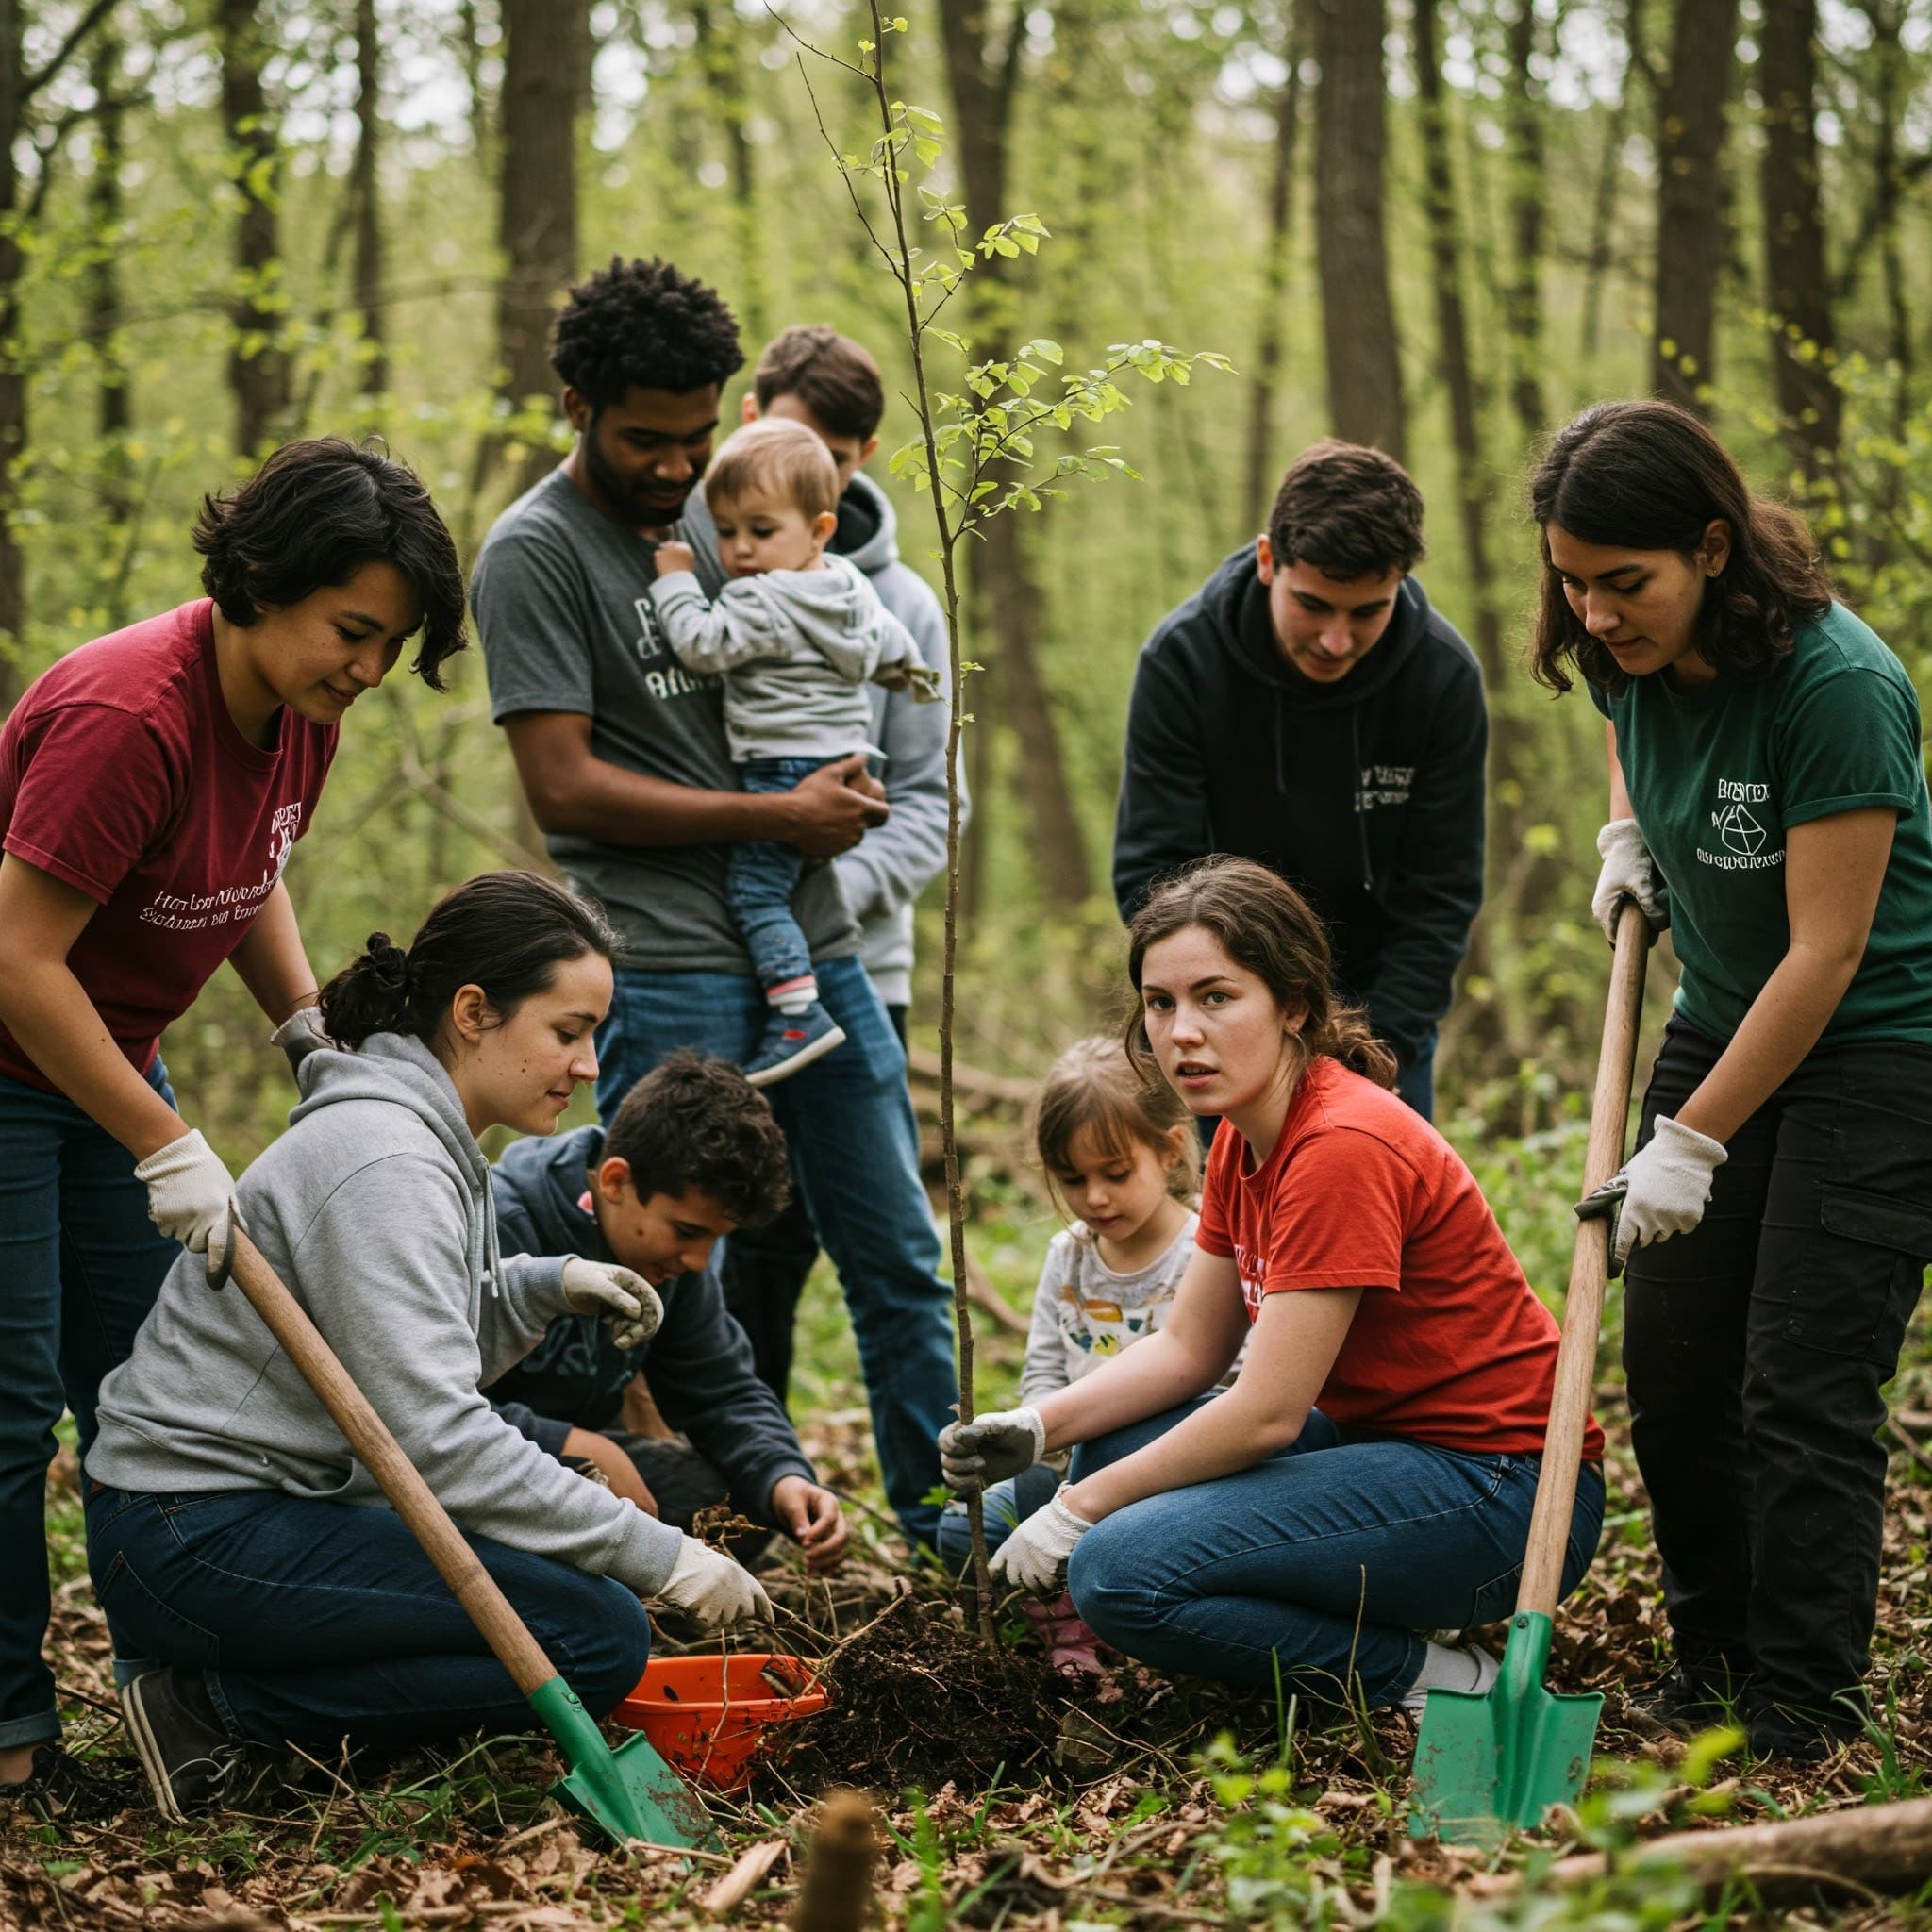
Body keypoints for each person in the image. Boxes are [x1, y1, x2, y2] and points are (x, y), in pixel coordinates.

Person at [84, 873, 772, 1824]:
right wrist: (665, 1558)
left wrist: (544, 1284)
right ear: (474, 1011)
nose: (585, 1064)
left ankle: (234, 1674)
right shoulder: (387, 1157)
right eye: (566, 1031)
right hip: (192, 1529)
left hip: (249, 1513)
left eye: (592, 1036)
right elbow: (437, 1437)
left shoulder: (433, 1141)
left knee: (578, 1602)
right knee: (594, 1631)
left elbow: (411, 1346)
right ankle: (210, 1709)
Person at [0, 438, 466, 1819]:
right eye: (354, 632)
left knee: (138, 1393)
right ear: (265, 580)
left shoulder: (298, 707)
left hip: (99, 1063)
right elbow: (20, 962)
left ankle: (172, 1690)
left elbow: (252, 864)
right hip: (11, 1064)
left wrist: (304, 1034)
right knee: (13, 1404)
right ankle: (13, 1740)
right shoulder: (125, 717)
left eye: (391, 644)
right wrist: (163, 1140)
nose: (368, 670)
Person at [470, 257, 958, 1546]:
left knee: (900, 1252)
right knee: (687, 1273)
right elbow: (563, 788)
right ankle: (714, 1536)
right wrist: (775, 820)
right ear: (575, 404)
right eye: (645, 439)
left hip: (818, 943)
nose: (675, 466)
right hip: (672, 958)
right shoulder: (536, 555)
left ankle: (950, 1530)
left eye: (698, 437)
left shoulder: (745, 512)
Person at [940, 858, 1604, 1709]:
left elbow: (1265, 1414)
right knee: (1114, 1446)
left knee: (1115, 1571)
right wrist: (1039, 1426)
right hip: (1396, 1456)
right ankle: (1371, 1624)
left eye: (1217, 997)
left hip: (1505, 1498)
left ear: (1293, 1004)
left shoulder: (1340, 1147)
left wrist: (1078, 1511)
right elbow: (1187, 1349)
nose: (1181, 1032)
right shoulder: (1243, 1145)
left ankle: (1440, 1683)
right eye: (1160, 1002)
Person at [1536, 400, 1932, 1761]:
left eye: (1624, 582)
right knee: (1679, 1361)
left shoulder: (1840, 688)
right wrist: (1630, 829)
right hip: (1721, 1011)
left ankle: (1804, 1707)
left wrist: (1690, 1143)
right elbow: (1623, 715)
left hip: (1883, 1050)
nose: (1595, 613)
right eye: (1572, 581)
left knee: (1799, 1382)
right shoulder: (1617, 650)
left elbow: (1826, 955)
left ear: (1714, 549)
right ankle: (1713, 1669)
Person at [680, 321, 961, 1413]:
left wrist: (812, 899)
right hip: (716, 969)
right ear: (751, 422)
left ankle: (942, 1512)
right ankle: (747, 1496)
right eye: (797, 442)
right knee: (748, 1255)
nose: (814, 472)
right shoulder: (706, 582)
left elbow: (932, 801)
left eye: (838, 461)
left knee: (883, 1248)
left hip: (858, 974)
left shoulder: (902, 607)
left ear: (854, 469)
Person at [1111, 441, 1487, 1119]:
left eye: (1367, 611)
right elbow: (1152, 874)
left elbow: (1440, 894)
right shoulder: (1183, 663)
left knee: (1373, 1218)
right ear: (1266, 560)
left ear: (1400, 580)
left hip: (1382, 1017)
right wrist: (1233, 1014)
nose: (1336, 640)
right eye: (1314, 605)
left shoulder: (1442, 678)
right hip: (1227, 1018)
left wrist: (1375, 1048)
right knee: (1240, 1224)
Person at [650, 419, 941, 1085]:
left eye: (761, 530)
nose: (741, 549)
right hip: (842, 759)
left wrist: (675, 580)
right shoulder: (844, 584)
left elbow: (700, 643)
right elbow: (887, 638)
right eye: (727, 532)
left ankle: (797, 1010)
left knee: (755, 895)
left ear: (818, 529)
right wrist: (911, 672)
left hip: (782, 769)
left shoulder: (758, 597)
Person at [484, 1047, 849, 1570]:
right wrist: (570, 1444)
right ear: (614, 1181)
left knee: (744, 1508)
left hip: (583, 1464)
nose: (699, 1262)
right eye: (687, 1233)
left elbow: (722, 1390)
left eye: (716, 1240)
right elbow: (425, 1411)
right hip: (485, 1469)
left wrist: (785, 1477)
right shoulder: (502, 1223)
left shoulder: (667, 1261)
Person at [937, 1037, 1201, 1671]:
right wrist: (1030, 1434)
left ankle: (1099, 1622)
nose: (1096, 1198)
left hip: (1158, 1462)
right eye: (1073, 1179)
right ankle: (1056, 1614)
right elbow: (1046, 1374)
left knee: (1089, 1474)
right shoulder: (1070, 1255)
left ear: (1168, 1152)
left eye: (1115, 1173)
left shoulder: (1201, 1251)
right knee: (959, 1531)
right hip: (1067, 1457)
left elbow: (1221, 1379)